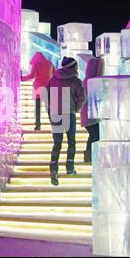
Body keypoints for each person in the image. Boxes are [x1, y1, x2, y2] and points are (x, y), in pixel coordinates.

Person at [46, 57, 86, 186]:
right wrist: (76, 108)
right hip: (69, 114)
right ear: (73, 67)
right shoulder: (76, 81)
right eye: (76, 66)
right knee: (71, 141)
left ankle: (53, 170)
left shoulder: (52, 80)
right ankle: (69, 168)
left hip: (55, 114)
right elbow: (82, 98)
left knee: (57, 143)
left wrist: (50, 111)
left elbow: (46, 97)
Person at [21, 52, 55, 130]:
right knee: (49, 107)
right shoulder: (50, 64)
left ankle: (38, 125)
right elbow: (55, 74)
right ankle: (53, 123)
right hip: (48, 88)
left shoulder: (36, 64)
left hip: (38, 89)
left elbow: (31, 76)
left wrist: (22, 78)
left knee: (37, 108)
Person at [80, 57, 102, 164]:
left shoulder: (86, 80)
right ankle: (90, 157)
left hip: (87, 115)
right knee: (95, 135)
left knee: (93, 135)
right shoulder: (92, 81)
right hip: (91, 115)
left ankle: (89, 156)